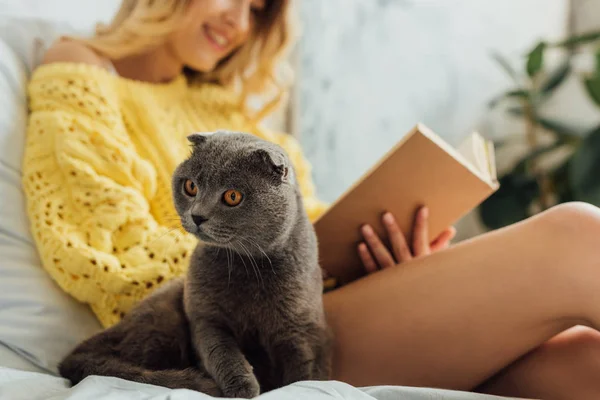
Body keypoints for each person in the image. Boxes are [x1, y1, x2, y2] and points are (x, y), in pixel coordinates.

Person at [22, 0, 600, 399]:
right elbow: (98, 250)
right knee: (576, 236)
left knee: (585, 362)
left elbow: (308, 230)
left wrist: (382, 259)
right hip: (256, 324)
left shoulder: (230, 109)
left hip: (320, 296)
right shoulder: (79, 68)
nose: (240, 22)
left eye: (257, 9)